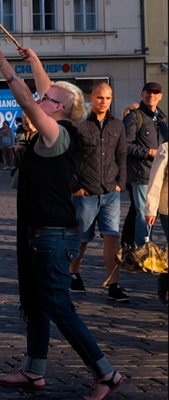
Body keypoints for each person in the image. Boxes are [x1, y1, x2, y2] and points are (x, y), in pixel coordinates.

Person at [0, 45, 122, 400]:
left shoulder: (56, 135)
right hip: (41, 232)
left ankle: (105, 373)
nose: (40, 97)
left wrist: (6, 69)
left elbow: (33, 104)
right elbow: (48, 94)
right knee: (36, 303)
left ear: (57, 109)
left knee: (59, 306)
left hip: (52, 235)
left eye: (47, 98)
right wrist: (33, 62)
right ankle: (34, 369)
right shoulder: (60, 122)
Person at [67, 82, 128, 301]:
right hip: (87, 192)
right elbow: (69, 158)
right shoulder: (79, 125)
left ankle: (114, 284)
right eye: (100, 97)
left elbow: (121, 155)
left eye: (108, 98)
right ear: (91, 99)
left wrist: (121, 182)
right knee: (82, 237)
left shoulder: (118, 126)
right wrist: (76, 187)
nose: (104, 101)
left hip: (111, 191)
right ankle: (73, 273)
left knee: (112, 237)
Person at [121, 82, 167, 249]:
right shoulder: (134, 116)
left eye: (156, 93)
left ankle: (134, 247)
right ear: (142, 94)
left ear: (160, 96)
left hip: (159, 175)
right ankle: (143, 251)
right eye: (149, 92)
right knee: (143, 214)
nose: (152, 95)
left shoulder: (162, 119)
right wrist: (149, 152)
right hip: (141, 174)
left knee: (153, 214)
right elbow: (125, 145)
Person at [143, 142, 168, 305]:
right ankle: (165, 282)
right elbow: (156, 179)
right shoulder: (166, 149)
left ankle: (165, 278)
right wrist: (150, 209)